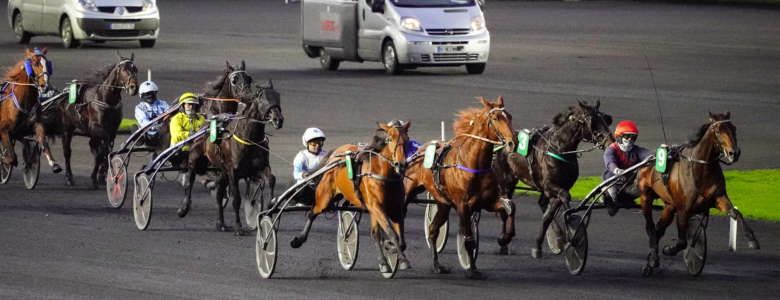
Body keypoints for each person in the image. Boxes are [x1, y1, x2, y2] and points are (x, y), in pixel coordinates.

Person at [601, 120, 653, 216]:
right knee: (612, 209)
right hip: (611, 183)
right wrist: (616, 170)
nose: (630, 139)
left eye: (632, 137)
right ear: (619, 137)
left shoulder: (637, 150)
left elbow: (646, 154)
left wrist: (654, 157)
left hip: (627, 185)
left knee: (643, 187)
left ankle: (624, 199)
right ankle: (609, 199)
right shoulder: (611, 149)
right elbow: (610, 162)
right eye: (626, 136)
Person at [170, 92, 205, 186]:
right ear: (182, 106)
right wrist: (189, 134)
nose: (191, 107)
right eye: (188, 104)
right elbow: (176, 135)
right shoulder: (176, 119)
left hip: (196, 148)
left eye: (193, 105)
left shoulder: (201, 119)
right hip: (180, 148)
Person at [292, 127, 328, 205]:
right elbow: (296, 174)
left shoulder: (324, 155)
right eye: (313, 143)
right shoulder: (301, 156)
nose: (317, 145)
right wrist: (303, 175)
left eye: (320, 142)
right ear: (307, 144)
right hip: (306, 187)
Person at [134, 81, 170, 146]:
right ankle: (139, 139)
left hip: (163, 134)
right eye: (147, 94)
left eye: (152, 93)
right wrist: (156, 127)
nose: (150, 96)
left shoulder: (162, 104)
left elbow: (170, 114)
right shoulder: (139, 108)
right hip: (148, 135)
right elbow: (144, 121)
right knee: (135, 128)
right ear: (142, 95)